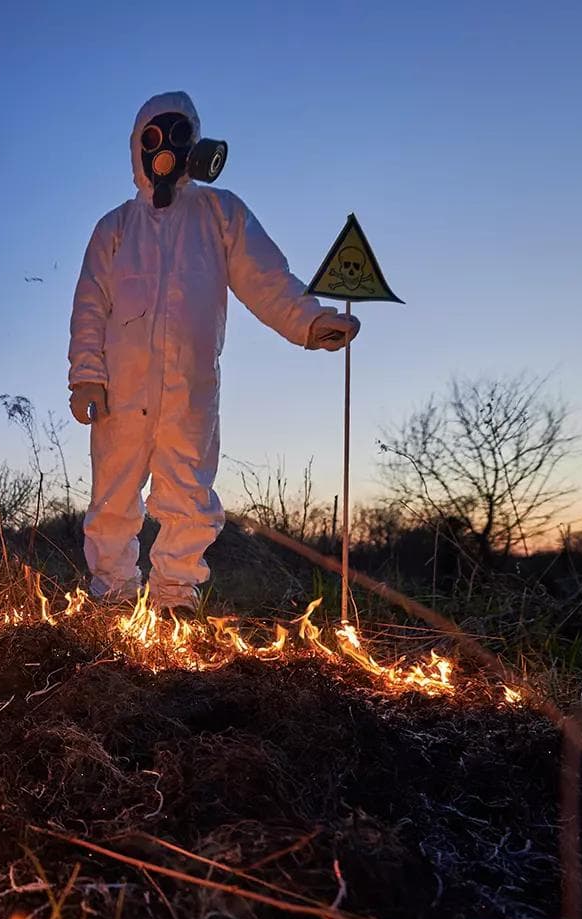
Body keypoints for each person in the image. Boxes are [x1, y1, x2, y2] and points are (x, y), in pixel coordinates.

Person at [68, 91, 358, 612]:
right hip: (121, 387)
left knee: (187, 494)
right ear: (138, 148)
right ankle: (110, 597)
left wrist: (309, 321)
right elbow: (89, 305)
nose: (166, 149)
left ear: (195, 143)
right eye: (154, 138)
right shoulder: (114, 228)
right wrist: (87, 376)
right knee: (113, 496)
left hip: (191, 386)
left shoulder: (221, 214)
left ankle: (175, 598)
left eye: (179, 136)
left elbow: (266, 277)